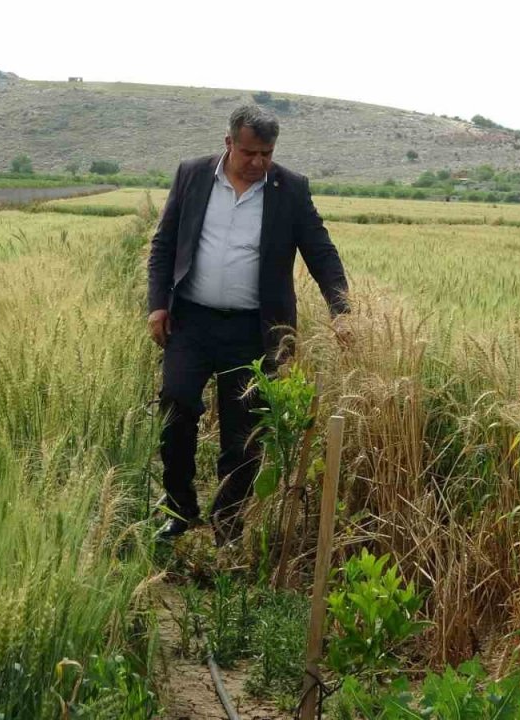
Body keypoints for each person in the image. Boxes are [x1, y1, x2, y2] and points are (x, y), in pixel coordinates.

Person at [146, 105, 350, 544]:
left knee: (243, 436)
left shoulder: (289, 189)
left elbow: (321, 252)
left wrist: (342, 311)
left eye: (267, 154)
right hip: (192, 322)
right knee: (176, 408)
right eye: (249, 153)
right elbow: (164, 243)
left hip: (255, 330)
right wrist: (157, 305)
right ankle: (180, 510)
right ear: (228, 144)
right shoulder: (193, 175)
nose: (258, 163)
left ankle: (227, 524)